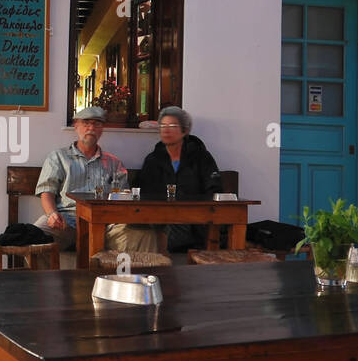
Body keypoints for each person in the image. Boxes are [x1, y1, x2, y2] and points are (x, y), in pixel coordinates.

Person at [33, 106, 156, 254]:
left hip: (106, 223)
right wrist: (52, 214)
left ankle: (125, 277)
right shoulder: (58, 157)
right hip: (67, 221)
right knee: (35, 236)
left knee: (144, 236)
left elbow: (124, 197)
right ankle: (48, 278)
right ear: (76, 126)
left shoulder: (114, 163)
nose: (91, 128)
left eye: (97, 123)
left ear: (101, 129)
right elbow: (47, 191)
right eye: (86, 123)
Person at [134, 105, 222, 252]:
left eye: (173, 125)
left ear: (185, 130)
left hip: (195, 222)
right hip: (160, 221)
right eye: (163, 125)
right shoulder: (153, 159)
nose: (167, 130)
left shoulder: (201, 157)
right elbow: (141, 193)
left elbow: (215, 189)